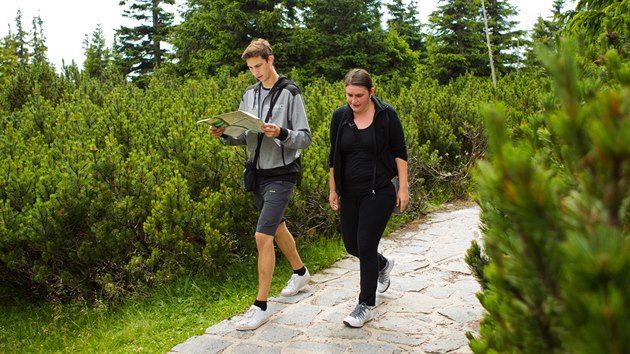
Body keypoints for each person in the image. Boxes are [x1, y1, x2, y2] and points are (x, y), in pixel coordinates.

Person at [210, 39, 312, 331]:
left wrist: (280, 132)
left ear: (270, 60)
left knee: (262, 236)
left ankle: (260, 306)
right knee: (276, 227)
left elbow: (304, 137)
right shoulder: (249, 94)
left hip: (282, 173)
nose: (255, 72)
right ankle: (300, 272)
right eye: (251, 68)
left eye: (258, 66)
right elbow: (244, 135)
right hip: (256, 173)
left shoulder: (291, 93)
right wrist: (225, 133)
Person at [328, 68, 409, 328]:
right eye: (349, 95)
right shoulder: (340, 117)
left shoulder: (387, 115)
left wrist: (403, 187)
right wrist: (333, 190)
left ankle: (365, 304)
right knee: (352, 246)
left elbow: (400, 153)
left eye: (359, 95)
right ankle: (383, 264)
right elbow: (334, 157)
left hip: (380, 190)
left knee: (365, 244)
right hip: (350, 192)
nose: (354, 101)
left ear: (371, 92)